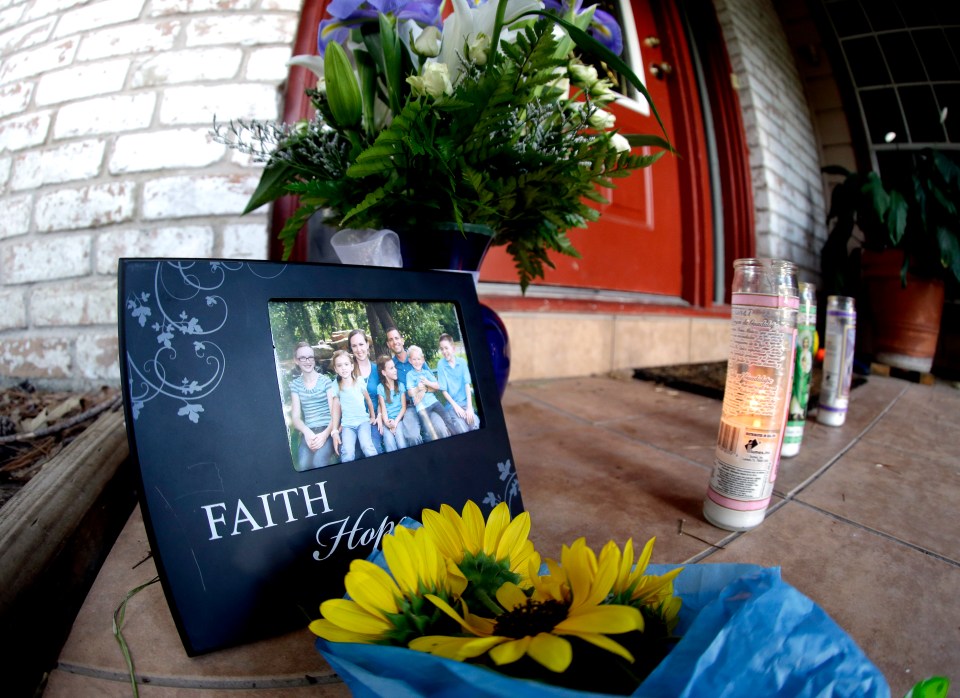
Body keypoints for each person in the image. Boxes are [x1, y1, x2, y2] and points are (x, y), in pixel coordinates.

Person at [288, 341, 340, 471]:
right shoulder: (295, 385)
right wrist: (307, 433)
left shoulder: (325, 381)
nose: (307, 361)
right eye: (302, 358)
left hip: (327, 429)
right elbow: (295, 417)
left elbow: (334, 413)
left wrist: (324, 435)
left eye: (310, 357)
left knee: (319, 462)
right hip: (309, 431)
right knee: (304, 465)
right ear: (296, 360)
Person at [330, 349, 378, 462]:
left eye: (346, 364)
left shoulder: (359, 381)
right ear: (336, 369)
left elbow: (369, 400)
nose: (343, 368)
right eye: (339, 365)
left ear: (352, 366)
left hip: (363, 422)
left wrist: (372, 416)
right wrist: (335, 430)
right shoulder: (336, 385)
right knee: (347, 451)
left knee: (367, 446)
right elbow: (336, 409)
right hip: (347, 425)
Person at [405, 345, 460, 441]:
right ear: (410, 361)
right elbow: (410, 392)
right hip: (421, 407)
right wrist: (418, 388)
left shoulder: (426, 373)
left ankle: (458, 438)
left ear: (423, 360)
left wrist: (426, 383)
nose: (417, 362)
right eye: (414, 359)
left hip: (433, 402)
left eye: (419, 359)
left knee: (447, 418)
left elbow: (438, 385)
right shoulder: (409, 375)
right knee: (427, 429)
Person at [384, 325, 423, 446]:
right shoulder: (392, 367)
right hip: (409, 407)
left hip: (425, 401)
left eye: (396, 338)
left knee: (439, 429)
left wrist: (422, 391)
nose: (395, 342)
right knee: (412, 437)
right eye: (391, 339)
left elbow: (432, 382)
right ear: (388, 344)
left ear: (402, 340)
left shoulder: (415, 358)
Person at [348, 329, 383, 454]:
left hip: (373, 419)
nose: (359, 349)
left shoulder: (377, 369)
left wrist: (379, 415)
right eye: (354, 346)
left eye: (361, 344)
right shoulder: (348, 371)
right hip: (354, 420)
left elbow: (382, 397)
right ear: (351, 349)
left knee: (375, 448)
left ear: (367, 344)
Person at [436, 333, 478, 433]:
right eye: (442, 349)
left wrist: (470, 407)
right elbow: (444, 390)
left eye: (446, 348)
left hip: (465, 403)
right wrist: (456, 407)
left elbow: (467, 385)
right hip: (452, 406)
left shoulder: (462, 362)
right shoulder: (441, 365)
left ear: (453, 348)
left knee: (475, 424)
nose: (444, 351)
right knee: (462, 429)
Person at [376, 354, 408, 452]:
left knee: (401, 442)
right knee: (389, 443)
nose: (395, 370)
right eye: (391, 368)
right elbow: (383, 409)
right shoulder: (380, 388)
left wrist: (396, 423)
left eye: (394, 367)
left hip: (399, 420)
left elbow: (403, 407)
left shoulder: (401, 386)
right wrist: (387, 423)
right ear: (384, 372)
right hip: (388, 422)